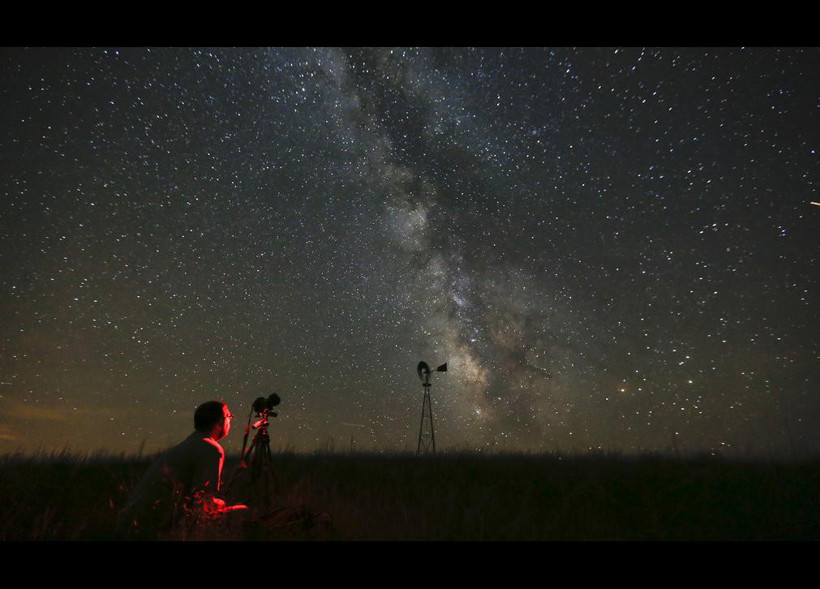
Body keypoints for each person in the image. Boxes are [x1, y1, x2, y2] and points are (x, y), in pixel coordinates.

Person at [117, 400, 246, 538]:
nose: (230, 421)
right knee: (243, 513)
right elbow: (202, 504)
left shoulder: (190, 444)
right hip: (153, 528)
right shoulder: (211, 449)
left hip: (133, 523)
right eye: (229, 416)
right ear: (220, 421)